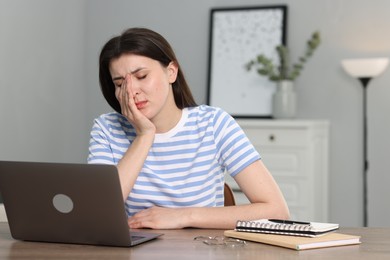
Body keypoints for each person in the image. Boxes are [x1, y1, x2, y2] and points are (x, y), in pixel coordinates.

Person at [88, 27, 289, 230]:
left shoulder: (213, 123)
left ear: (171, 72)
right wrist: (144, 135)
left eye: (141, 76)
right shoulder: (107, 129)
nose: (131, 91)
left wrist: (183, 216)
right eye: (120, 83)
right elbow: (95, 212)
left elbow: (277, 211)